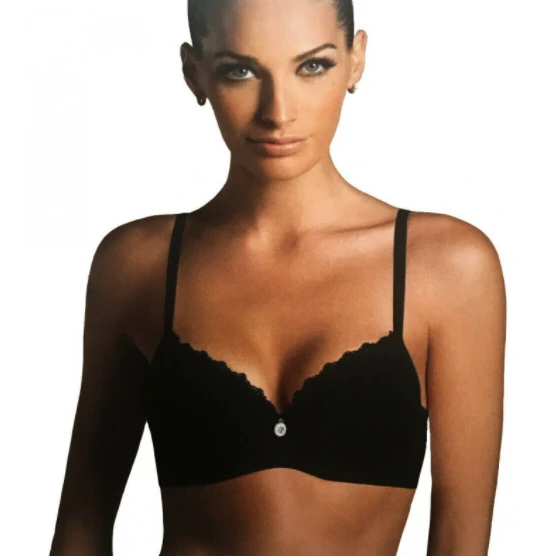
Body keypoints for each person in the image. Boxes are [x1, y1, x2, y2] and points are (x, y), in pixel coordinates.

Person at [49, 0, 506, 554]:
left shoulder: (447, 266)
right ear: (194, 72)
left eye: (312, 65)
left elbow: (461, 540)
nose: (278, 112)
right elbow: (81, 525)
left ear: (356, 59)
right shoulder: (137, 265)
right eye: (240, 70)